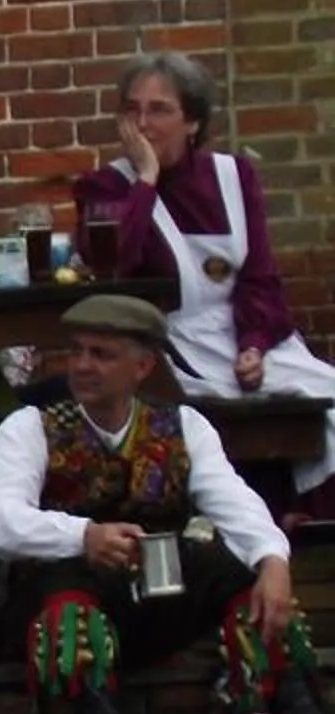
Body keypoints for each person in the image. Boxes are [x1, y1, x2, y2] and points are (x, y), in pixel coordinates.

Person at [0, 292, 335, 714]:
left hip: (158, 599)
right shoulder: (31, 427)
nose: (83, 365)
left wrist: (273, 559)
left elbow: (234, 501)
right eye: (77, 351)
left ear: (142, 367)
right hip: (58, 599)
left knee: (242, 575)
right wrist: (83, 535)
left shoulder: (183, 427)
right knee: (68, 583)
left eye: (102, 354)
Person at [73, 52, 335, 502]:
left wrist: (252, 343)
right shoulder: (107, 188)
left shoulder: (235, 177)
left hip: (245, 337)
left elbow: (259, 277)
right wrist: (147, 180)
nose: (142, 123)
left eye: (159, 110)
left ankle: (312, 521)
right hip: (175, 346)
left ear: (191, 122)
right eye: (132, 110)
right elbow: (114, 261)